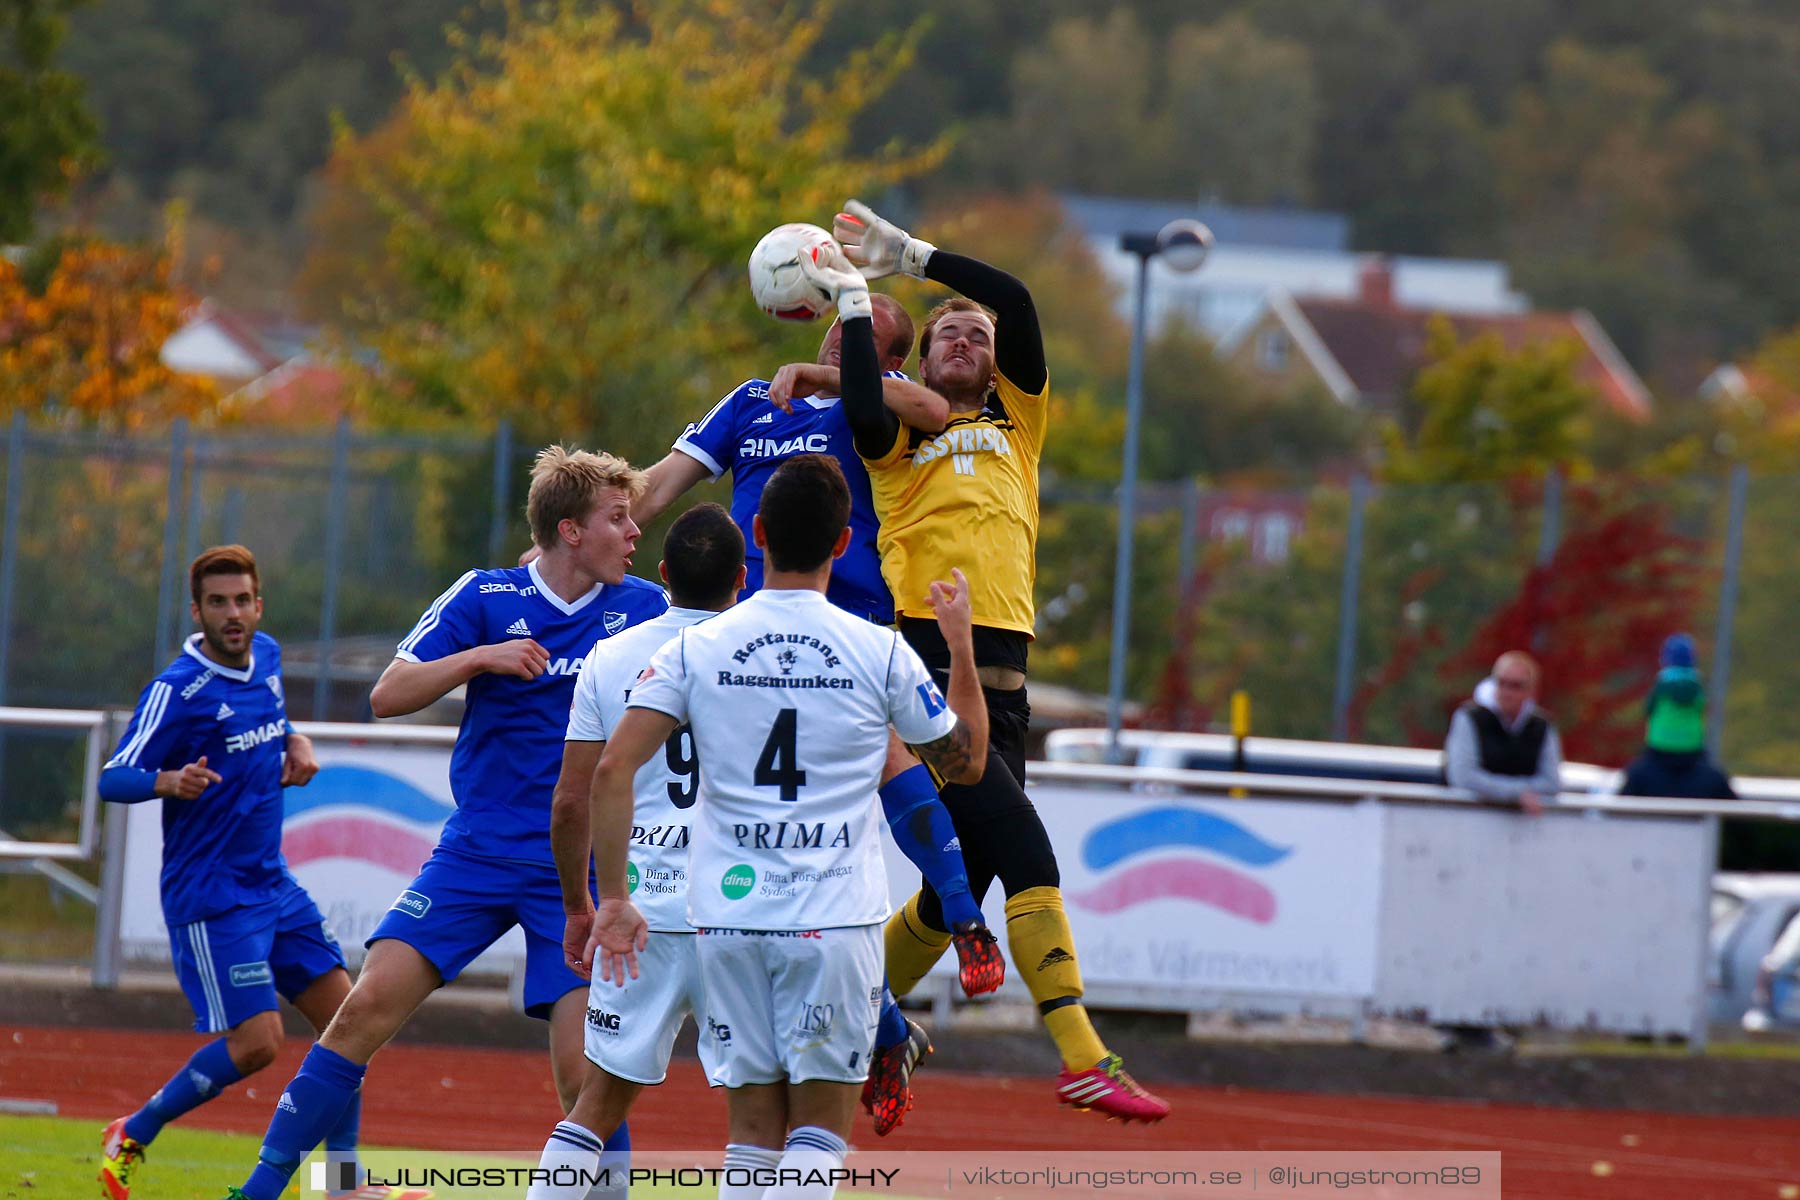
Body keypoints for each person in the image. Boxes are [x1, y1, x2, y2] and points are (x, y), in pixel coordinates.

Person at [219, 447, 668, 1200]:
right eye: (617, 517)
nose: (633, 532)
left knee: (582, 1071)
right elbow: (388, 694)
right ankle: (260, 1189)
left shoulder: (647, 608)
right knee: (363, 1008)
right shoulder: (485, 596)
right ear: (568, 530)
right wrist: (479, 658)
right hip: (479, 853)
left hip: (581, 870)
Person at [813, 200, 1171, 1122]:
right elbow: (859, 398)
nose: (968, 336)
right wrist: (855, 298)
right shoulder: (898, 446)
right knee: (1026, 851)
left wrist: (915, 258)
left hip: (1005, 687)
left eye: (977, 333)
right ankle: (1082, 1053)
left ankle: (860, 1026)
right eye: (948, 336)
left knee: (954, 887)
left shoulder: (1020, 420)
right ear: (922, 364)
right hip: (930, 672)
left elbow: (1011, 294)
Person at [634, 291, 1004, 1134]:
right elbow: (661, 484)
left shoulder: (875, 406)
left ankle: (959, 914)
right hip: (743, 628)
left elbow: (935, 407)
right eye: (842, 321)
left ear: (889, 356)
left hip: (847, 616)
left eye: (869, 332)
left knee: (880, 773)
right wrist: (589, 528)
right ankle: (892, 1016)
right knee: (787, 838)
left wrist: (826, 376)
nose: (846, 333)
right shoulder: (747, 403)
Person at [581, 451, 990, 1200]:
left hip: (727, 922)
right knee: (818, 1133)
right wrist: (961, 649)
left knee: (753, 1137)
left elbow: (610, 773)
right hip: (833, 923)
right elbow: (962, 763)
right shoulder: (879, 651)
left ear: (760, 533)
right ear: (843, 543)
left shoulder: (694, 647)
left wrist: (612, 898)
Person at [94, 546, 402, 1200]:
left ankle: (342, 1186)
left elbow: (278, 723)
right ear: (197, 611)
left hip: (273, 884)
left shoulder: (266, 656)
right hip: (212, 896)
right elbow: (112, 777)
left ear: (258, 604)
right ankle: (135, 1129)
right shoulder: (179, 690)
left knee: (351, 1024)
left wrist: (299, 743)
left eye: (242, 601)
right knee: (259, 1043)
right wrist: (165, 779)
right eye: (218, 602)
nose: (232, 614)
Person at [524, 502, 747, 1200]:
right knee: (762, 1115)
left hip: (638, 915)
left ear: (661, 576)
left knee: (594, 1109)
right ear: (741, 578)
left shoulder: (611, 656)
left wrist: (580, 905)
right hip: (741, 911)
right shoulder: (760, 652)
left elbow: (571, 800)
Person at [1444, 650, 1563, 816]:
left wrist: (1510, 792)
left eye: (1515, 686)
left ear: (1531, 691)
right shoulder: (1470, 717)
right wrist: (1516, 794)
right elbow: (1463, 776)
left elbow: (1551, 782)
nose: (1507, 692)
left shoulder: (1542, 726)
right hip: (1467, 820)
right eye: (1501, 683)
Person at [1620, 634, 1736, 801]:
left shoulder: (1638, 777)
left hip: (1658, 752)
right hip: (1693, 755)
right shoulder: (1714, 780)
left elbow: (1648, 709)